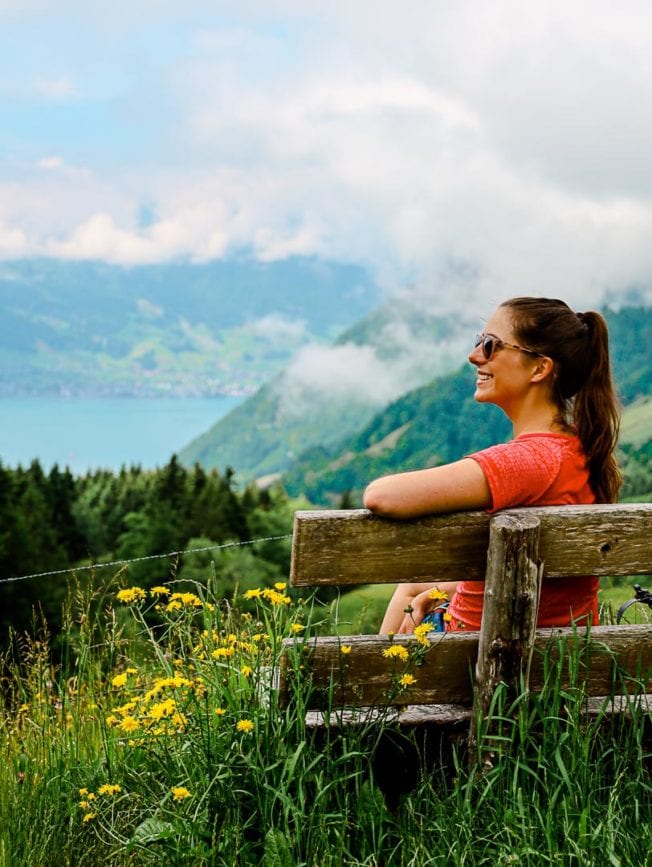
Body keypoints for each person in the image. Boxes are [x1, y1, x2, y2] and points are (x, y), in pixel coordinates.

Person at [363, 297, 621, 635]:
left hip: (480, 648)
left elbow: (381, 496)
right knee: (415, 588)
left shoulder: (528, 462)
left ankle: (380, 671)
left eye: (491, 345)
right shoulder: (578, 451)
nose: (474, 356)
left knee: (410, 592)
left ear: (539, 369)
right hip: (555, 647)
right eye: (479, 341)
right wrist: (441, 592)